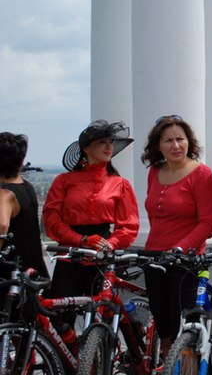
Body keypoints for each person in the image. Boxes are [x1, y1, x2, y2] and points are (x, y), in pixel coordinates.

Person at [43, 120, 139, 330]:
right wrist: (81, 240)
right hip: (69, 254)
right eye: (102, 142)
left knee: (103, 317)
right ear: (86, 148)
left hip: (102, 255)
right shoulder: (64, 181)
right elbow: (51, 219)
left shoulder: (119, 184)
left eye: (110, 142)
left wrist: (111, 243)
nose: (108, 147)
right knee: (61, 318)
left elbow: (129, 225)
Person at [141, 115, 212, 355]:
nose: (175, 145)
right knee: (164, 328)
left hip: (185, 261)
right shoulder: (155, 171)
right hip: (155, 258)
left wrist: (179, 247)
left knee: (184, 331)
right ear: (158, 146)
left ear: (189, 142)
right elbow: (154, 215)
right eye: (168, 140)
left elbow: (207, 224)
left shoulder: (201, 174)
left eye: (180, 139)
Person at [0, 132, 48, 282]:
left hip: (11, 275)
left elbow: (2, 225)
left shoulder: (5, 194)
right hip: (34, 269)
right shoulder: (27, 187)